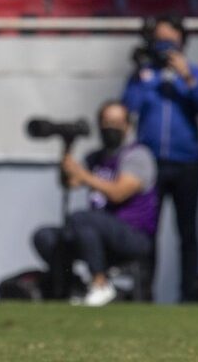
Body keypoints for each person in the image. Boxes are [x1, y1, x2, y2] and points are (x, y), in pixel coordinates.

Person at [121, 16, 198, 301]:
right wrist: (143, 77)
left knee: (187, 232)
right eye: (159, 41)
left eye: (169, 41)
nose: (164, 48)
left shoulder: (195, 73)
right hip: (151, 163)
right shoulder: (143, 76)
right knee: (148, 230)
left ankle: (188, 294)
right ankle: (144, 292)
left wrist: (187, 78)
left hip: (186, 162)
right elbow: (128, 107)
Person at [32, 101, 158, 306]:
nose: (111, 128)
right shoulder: (95, 157)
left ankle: (101, 284)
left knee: (81, 219)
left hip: (132, 235)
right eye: (106, 122)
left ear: (127, 126)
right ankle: (72, 287)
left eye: (116, 123)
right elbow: (69, 182)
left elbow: (119, 193)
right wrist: (67, 149)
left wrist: (84, 175)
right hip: (94, 235)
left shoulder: (137, 155)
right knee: (46, 236)